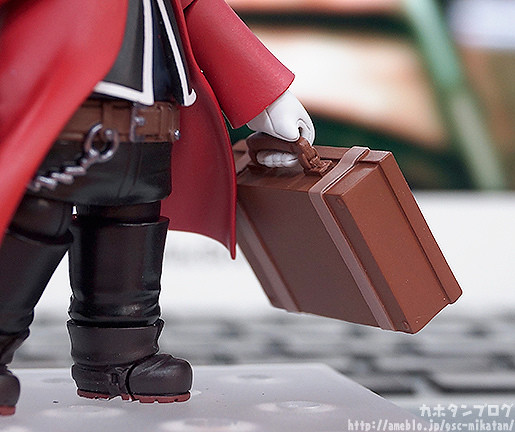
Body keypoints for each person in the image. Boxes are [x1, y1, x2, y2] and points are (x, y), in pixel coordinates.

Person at [0, 0, 314, 415]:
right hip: (55, 106)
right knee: (35, 219)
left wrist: (269, 98)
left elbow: (202, 14)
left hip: (149, 121)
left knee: (131, 214)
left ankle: (119, 355)